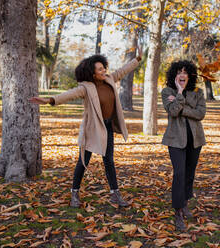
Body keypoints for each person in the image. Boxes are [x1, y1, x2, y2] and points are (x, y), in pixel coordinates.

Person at [30, 47, 142, 208]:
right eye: (100, 69)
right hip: (92, 128)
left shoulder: (110, 79)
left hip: (107, 126)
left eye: (104, 67)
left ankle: (115, 194)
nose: (104, 71)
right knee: (83, 161)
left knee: (109, 160)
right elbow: (69, 94)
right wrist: (50, 100)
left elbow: (123, 70)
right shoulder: (86, 88)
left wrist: (137, 59)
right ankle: (74, 193)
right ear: (92, 73)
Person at [161, 60, 206, 231]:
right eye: (179, 71)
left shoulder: (198, 92)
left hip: (195, 140)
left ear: (190, 76)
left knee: (189, 173)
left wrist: (181, 105)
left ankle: (186, 201)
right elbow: (172, 111)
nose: (182, 74)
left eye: (185, 72)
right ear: (174, 75)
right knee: (179, 173)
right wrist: (179, 93)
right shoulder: (167, 92)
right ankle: (178, 210)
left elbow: (201, 113)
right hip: (175, 140)